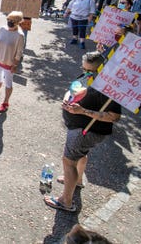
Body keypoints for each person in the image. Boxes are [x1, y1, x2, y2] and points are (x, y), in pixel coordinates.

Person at [44, 51, 121, 213]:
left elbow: (114, 116)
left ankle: (65, 201)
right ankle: (76, 180)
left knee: (69, 161)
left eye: (90, 70)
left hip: (87, 130)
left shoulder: (108, 87)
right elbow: (74, 87)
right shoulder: (88, 76)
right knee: (80, 155)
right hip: (79, 128)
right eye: (84, 69)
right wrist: (67, 97)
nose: (86, 73)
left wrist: (83, 111)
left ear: (102, 69)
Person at [0, 11, 25, 113]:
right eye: (8, 20)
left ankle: (5, 102)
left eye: (12, 21)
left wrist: (15, 65)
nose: (9, 22)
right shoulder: (2, 29)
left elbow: (19, 52)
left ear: (17, 22)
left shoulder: (20, 35)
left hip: (9, 63)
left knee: (8, 83)